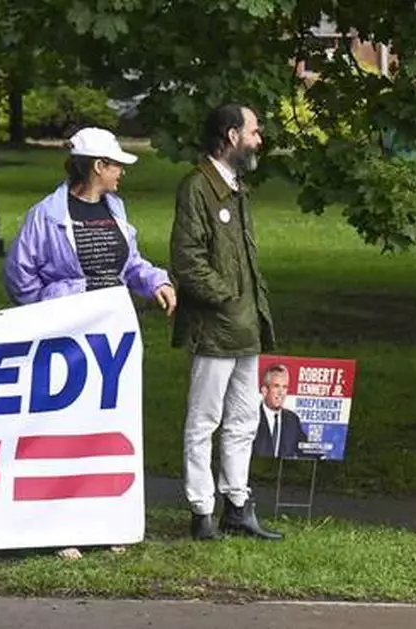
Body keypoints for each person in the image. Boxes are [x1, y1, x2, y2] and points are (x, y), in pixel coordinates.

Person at [3, 127, 176, 560]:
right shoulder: (46, 215)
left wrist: (157, 281)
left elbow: (131, 263)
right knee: (64, 430)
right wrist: (53, 311)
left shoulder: (115, 207)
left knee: (108, 428)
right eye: (116, 165)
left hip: (110, 336)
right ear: (97, 166)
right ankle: (61, 526)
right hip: (66, 339)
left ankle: (106, 520)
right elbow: (20, 276)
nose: (121, 173)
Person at [170, 103, 282, 542]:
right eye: (254, 131)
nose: (259, 139)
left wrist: (246, 306)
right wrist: (227, 297)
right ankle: (201, 511)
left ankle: (237, 505)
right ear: (232, 136)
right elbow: (187, 258)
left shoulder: (236, 187)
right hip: (217, 327)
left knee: (243, 419)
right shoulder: (198, 187)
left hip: (246, 325)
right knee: (204, 420)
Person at [252, 363, 313, 459]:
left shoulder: (292, 420)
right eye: (276, 386)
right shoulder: (251, 417)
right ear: (264, 391)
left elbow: (306, 449)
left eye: (284, 387)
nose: (281, 393)